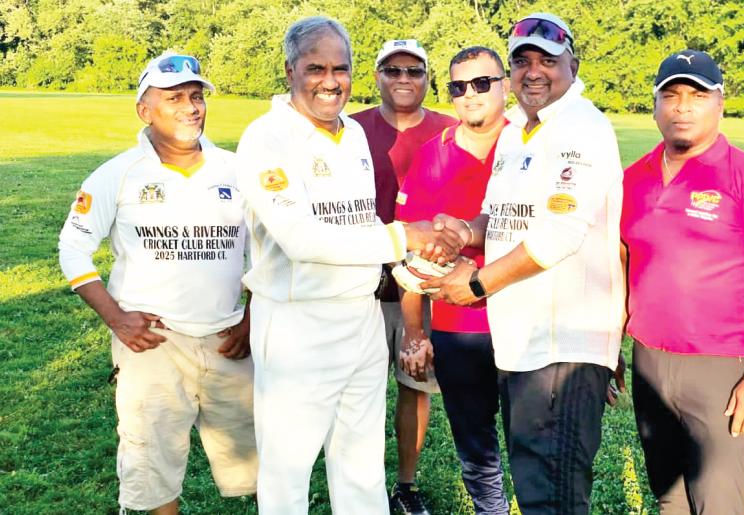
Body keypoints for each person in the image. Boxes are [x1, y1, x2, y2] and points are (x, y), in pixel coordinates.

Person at [233, 17, 464, 514]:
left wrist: (414, 258)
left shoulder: (354, 133)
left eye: (340, 68)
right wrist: (405, 236)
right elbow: (299, 237)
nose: (330, 81)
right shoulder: (267, 138)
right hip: (298, 321)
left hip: (360, 316)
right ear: (290, 70)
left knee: (361, 463)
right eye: (315, 68)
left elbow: (358, 223)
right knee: (288, 469)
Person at [422, 13, 626, 515]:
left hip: (563, 347)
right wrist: (465, 231)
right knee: (534, 485)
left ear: (573, 65)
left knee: (552, 496)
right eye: (522, 61)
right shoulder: (517, 130)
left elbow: (560, 233)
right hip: (521, 340)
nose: (533, 71)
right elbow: (502, 216)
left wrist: (475, 284)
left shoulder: (581, 128)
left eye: (547, 60)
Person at [57, 51, 257, 514]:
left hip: (229, 339)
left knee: (258, 458)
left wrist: (251, 317)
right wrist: (117, 319)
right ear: (144, 110)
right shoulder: (118, 174)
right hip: (153, 343)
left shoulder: (237, 169)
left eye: (196, 96)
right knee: (152, 465)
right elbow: (73, 249)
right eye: (174, 98)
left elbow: (267, 252)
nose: (191, 108)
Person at [620, 50, 744, 514]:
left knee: (719, 500)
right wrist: (607, 347)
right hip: (649, 361)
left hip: (721, 366)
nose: (683, 106)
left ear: (720, 103)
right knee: (670, 495)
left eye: (697, 95)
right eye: (671, 95)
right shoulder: (632, 179)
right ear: (655, 105)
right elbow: (622, 266)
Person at [395, 46, 511, 515]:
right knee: (475, 443)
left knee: (531, 438)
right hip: (457, 327)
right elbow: (412, 255)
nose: (470, 94)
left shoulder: (529, 146)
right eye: (459, 86)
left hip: (522, 320)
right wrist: (415, 332)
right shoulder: (432, 156)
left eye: (482, 83)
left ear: (505, 86)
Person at [351, 39, 457, 515]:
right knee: (360, 388)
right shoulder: (352, 128)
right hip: (361, 279)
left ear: (427, 78)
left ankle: (406, 485)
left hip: (425, 280)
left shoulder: (449, 130)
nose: (403, 79)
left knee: (415, 382)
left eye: (414, 71)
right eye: (392, 70)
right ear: (377, 76)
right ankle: (360, 481)